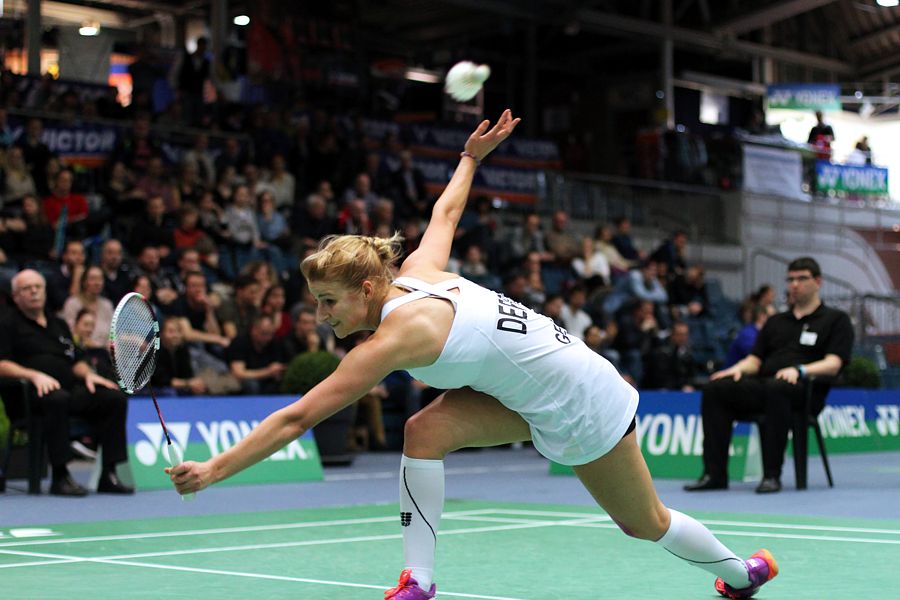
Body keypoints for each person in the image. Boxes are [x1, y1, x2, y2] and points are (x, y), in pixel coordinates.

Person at [168, 111, 778, 600]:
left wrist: (212, 471)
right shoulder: (416, 271)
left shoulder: (394, 339)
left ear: (367, 289)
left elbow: (300, 417)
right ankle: (420, 582)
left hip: (581, 401)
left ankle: (744, 572)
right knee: (423, 430)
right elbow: (446, 212)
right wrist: (468, 159)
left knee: (644, 522)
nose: (321, 316)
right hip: (535, 392)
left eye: (329, 302)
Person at [685, 257, 853, 495]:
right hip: (765, 385)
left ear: (817, 281)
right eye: (791, 279)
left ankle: (771, 476)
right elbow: (755, 360)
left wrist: (800, 370)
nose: (794, 285)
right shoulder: (776, 321)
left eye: (801, 279)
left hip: (804, 392)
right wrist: (737, 369)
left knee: (778, 387)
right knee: (716, 388)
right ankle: (714, 474)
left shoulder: (835, 319)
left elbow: (834, 364)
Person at [0, 269, 133, 496]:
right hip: (29, 396)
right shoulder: (6, 323)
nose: (34, 292)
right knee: (57, 399)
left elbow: (76, 358)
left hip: (68, 389)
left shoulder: (57, 323)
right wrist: (34, 375)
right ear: (16, 296)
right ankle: (60, 476)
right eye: (27, 288)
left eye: (38, 287)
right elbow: (2, 364)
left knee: (113, 397)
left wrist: (88, 374)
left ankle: (108, 474)